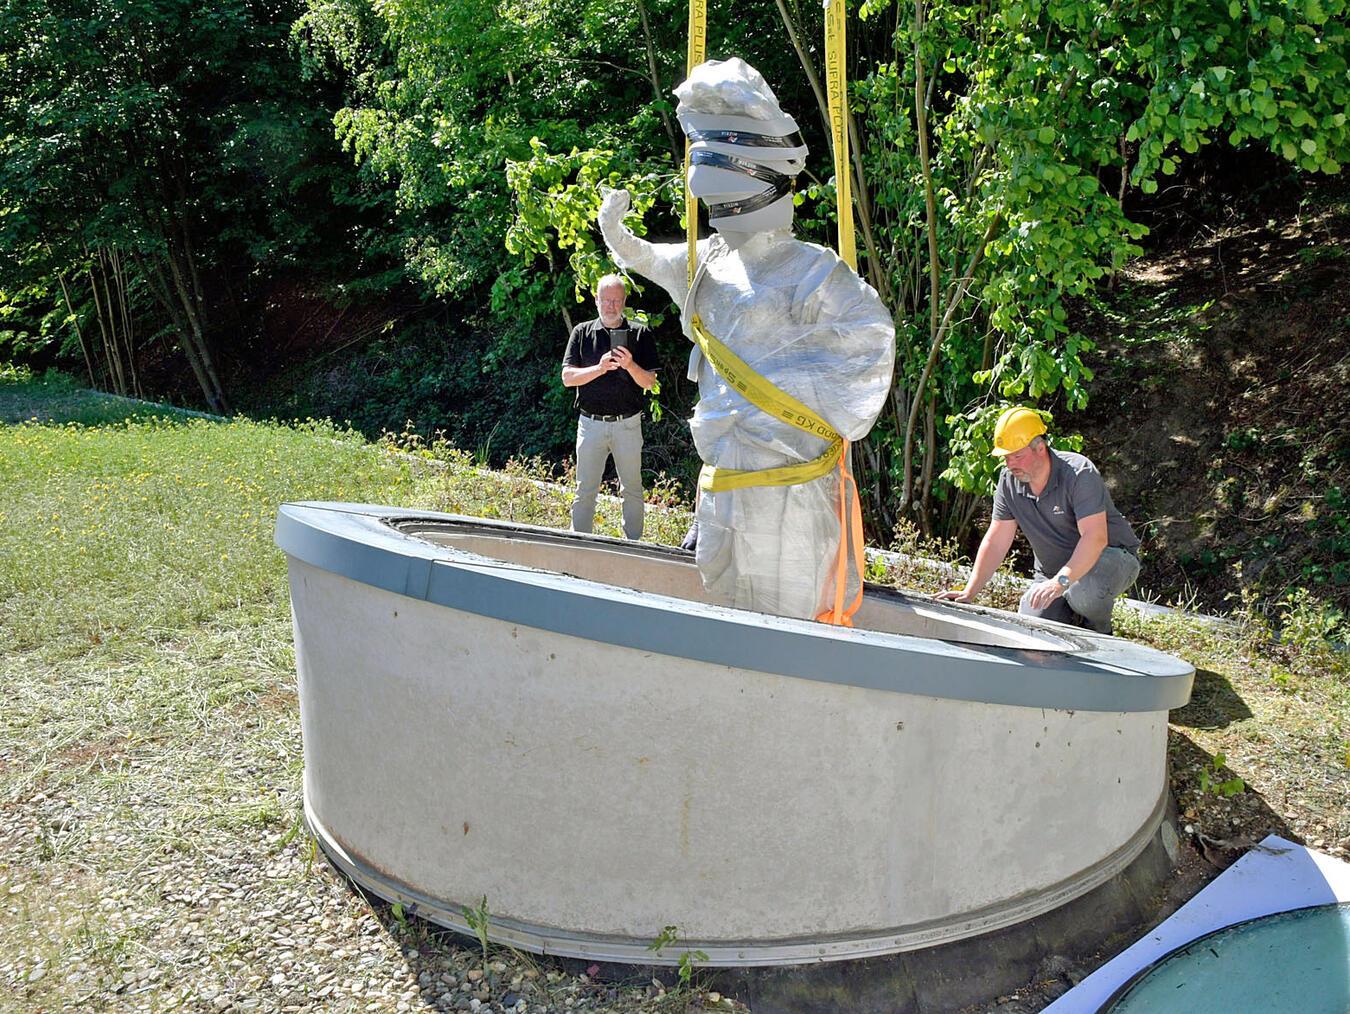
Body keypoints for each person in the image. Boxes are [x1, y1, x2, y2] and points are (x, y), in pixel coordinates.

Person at [598, 58, 894, 620]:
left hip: (789, 486)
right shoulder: (705, 263)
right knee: (724, 596)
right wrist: (617, 232)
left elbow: (870, 345)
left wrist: (782, 394)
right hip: (723, 479)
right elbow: (647, 258)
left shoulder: (812, 271)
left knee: (786, 613)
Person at [934, 406, 1141, 634]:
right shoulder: (1008, 482)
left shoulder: (1079, 473)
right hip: (1054, 574)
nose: (1011, 464)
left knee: (1084, 595)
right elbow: (996, 540)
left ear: (1040, 448)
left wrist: (1060, 583)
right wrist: (969, 591)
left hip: (1111, 559)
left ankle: (1101, 631)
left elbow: (1095, 538)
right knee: (1031, 628)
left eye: (1017, 456)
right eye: (1006, 457)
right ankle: (1070, 618)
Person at [562, 274, 658, 541]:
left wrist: (630, 365)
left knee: (632, 489)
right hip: (590, 424)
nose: (611, 306)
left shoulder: (640, 333)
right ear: (596, 300)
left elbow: (649, 382)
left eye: (616, 300)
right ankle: (579, 546)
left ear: (624, 301)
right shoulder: (581, 332)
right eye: (606, 300)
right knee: (585, 490)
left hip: (627, 424)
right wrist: (600, 368)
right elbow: (568, 379)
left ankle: (634, 548)